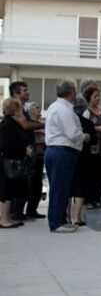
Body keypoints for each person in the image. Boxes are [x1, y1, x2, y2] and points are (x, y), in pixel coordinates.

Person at [44, 80, 87, 233]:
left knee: (59, 187)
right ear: (71, 92)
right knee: (60, 188)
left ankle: (58, 220)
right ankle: (57, 222)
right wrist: (84, 136)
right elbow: (72, 134)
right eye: (74, 90)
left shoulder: (55, 107)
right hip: (62, 151)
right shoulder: (64, 109)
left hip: (55, 150)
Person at [8, 81, 45, 221]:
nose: (28, 92)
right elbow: (24, 125)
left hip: (27, 152)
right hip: (17, 153)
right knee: (18, 183)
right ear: (16, 93)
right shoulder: (15, 107)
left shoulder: (22, 108)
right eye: (25, 90)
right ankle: (14, 213)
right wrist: (44, 124)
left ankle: (22, 212)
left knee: (28, 184)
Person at [0, 99, 33, 229]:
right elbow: (6, 145)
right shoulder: (8, 124)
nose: (22, 111)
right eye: (20, 109)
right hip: (8, 162)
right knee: (5, 190)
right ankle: (3, 219)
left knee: (9, 190)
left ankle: (7, 218)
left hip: (11, 162)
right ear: (14, 110)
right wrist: (24, 150)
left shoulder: (11, 123)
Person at [68, 96, 97, 226]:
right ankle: (77, 217)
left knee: (68, 187)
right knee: (81, 188)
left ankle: (67, 216)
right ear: (85, 107)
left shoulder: (69, 121)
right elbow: (94, 142)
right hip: (84, 157)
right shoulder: (88, 123)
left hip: (69, 155)